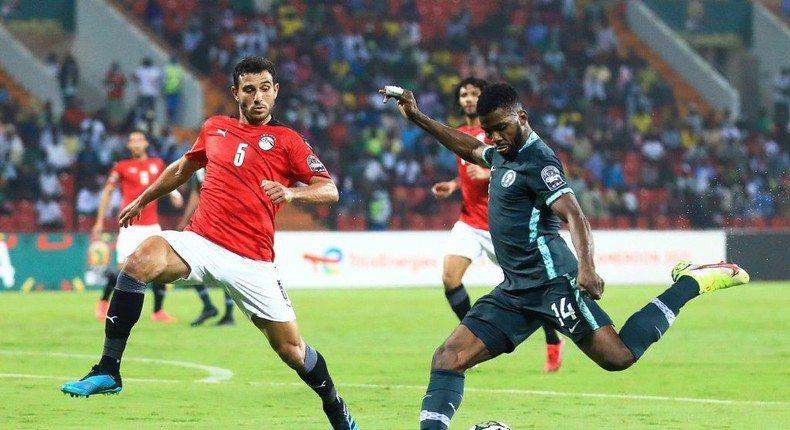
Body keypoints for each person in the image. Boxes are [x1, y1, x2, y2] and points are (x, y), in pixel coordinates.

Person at [380, 82, 750, 430]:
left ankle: (691, 282)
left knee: (617, 357)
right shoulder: (504, 153)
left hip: (553, 284)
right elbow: (468, 147)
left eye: (501, 128)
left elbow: (574, 214)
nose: (495, 138)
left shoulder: (540, 162)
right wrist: (418, 116)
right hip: (515, 290)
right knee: (448, 358)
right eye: (490, 131)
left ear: (521, 118)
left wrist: (587, 267)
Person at [62, 56, 360, 430]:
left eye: (265, 89)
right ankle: (108, 369)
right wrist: (144, 198)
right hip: (200, 241)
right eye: (249, 90)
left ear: (276, 92)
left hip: (253, 261)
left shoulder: (288, 141)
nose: (258, 97)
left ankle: (334, 407)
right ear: (235, 93)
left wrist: (290, 193)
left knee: (292, 351)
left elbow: (329, 189)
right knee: (136, 263)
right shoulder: (214, 128)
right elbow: (182, 168)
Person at [431, 77, 564, 372]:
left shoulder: (497, 131)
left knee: (533, 290)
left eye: (474, 94)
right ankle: (471, 339)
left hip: (499, 226)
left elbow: (512, 169)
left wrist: (487, 170)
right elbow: (470, 172)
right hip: (468, 222)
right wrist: (454, 185)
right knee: (450, 278)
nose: (468, 99)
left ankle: (553, 339)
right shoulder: (463, 134)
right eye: (464, 94)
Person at [92, 130, 184, 323]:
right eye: (132, 141)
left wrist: (175, 194)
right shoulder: (121, 167)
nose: (136, 144)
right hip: (131, 225)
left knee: (160, 267)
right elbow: (108, 192)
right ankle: (102, 302)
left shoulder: (157, 164)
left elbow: (166, 182)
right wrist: (100, 220)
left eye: (139, 140)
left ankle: (158, 311)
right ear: (128, 145)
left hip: (152, 226)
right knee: (123, 268)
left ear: (146, 143)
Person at [177, 168, 235, 327]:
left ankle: (229, 314)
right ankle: (208, 306)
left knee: (225, 268)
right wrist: (185, 220)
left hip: (227, 224)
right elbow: (196, 194)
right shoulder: (199, 169)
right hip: (205, 224)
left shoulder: (228, 163)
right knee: (189, 262)